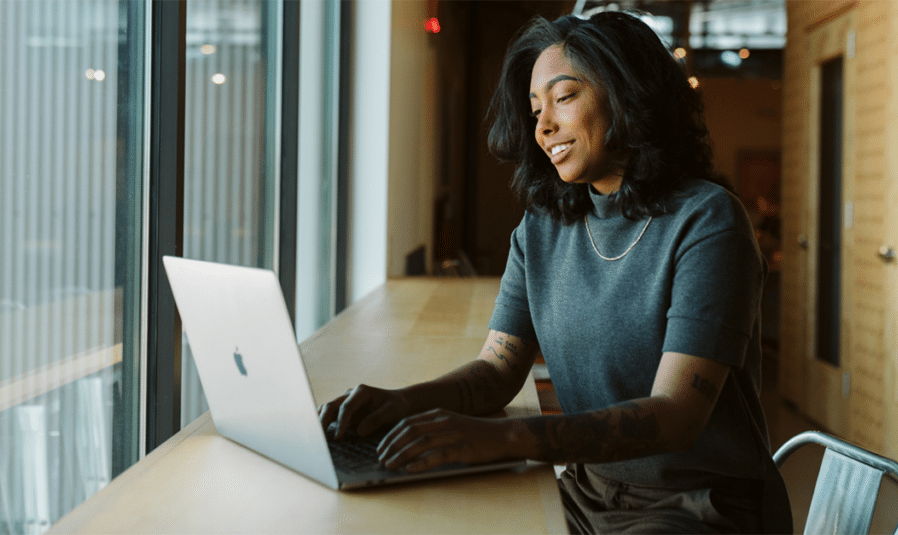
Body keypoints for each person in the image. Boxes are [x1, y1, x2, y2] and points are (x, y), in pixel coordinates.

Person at [319, 10, 791, 534]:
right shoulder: (541, 228)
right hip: (587, 493)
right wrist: (398, 403)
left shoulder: (707, 220)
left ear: (628, 95)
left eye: (563, 98)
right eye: (535, 108)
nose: (543, 128)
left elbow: (677, 415)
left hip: (699, 506)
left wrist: (507, 439)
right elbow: (496, 374)